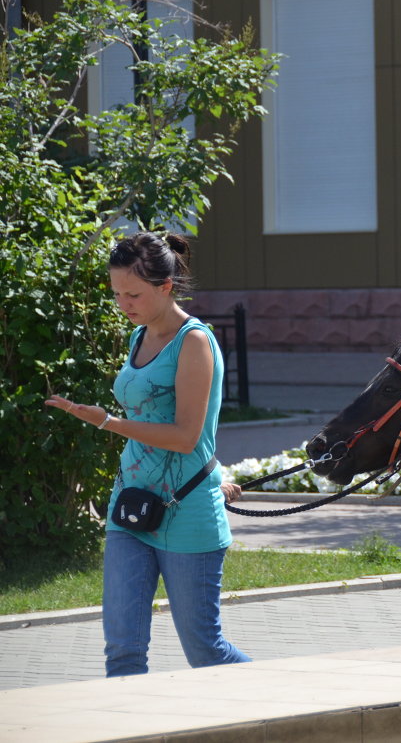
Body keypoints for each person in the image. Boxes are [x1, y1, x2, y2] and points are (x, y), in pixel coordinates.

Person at [45, 232, 250, 675]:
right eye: (117, 293)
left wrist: (106, 421)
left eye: (133, 293)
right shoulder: (139, 336)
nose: (123, 303)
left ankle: (290, 705)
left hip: (187, 514)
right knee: (122, 650)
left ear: (166, 286)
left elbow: (186, 438)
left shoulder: (194, 342)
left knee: (206, 652)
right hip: (132, 506)